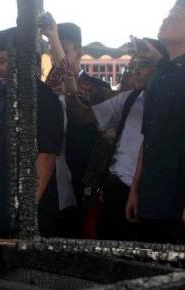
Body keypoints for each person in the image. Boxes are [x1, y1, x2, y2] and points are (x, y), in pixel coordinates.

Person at [67, 39, 165, 241]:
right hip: (117, 189)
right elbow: (84, 116)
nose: (136, 71)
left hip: (155, 194)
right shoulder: (128, 99)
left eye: (144, 65)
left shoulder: (175, 105)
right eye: (134, 65)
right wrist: (69, 91)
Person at [0, 28, 64, 237]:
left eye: (3, 61)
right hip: (3, 203)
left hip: (31, 214)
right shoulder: (5, 100)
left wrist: (25, 214)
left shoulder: (44, 99)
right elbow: (0, 156)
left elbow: (45, 160)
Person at [43, 19, 113, 237]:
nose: (56, 56)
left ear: (79, 52)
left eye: (63, 50)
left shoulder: (97, 87)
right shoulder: (46, 85)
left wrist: (52, 37)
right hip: (51, 170)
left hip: (82, 170)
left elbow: (75, 91)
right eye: (53, 51)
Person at [126, 0, 185, 244]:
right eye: (167, 14)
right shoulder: (158, 74)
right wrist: (135, 189)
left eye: (175, 16)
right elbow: (147, 138)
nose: (165, 19)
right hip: (152, 194)